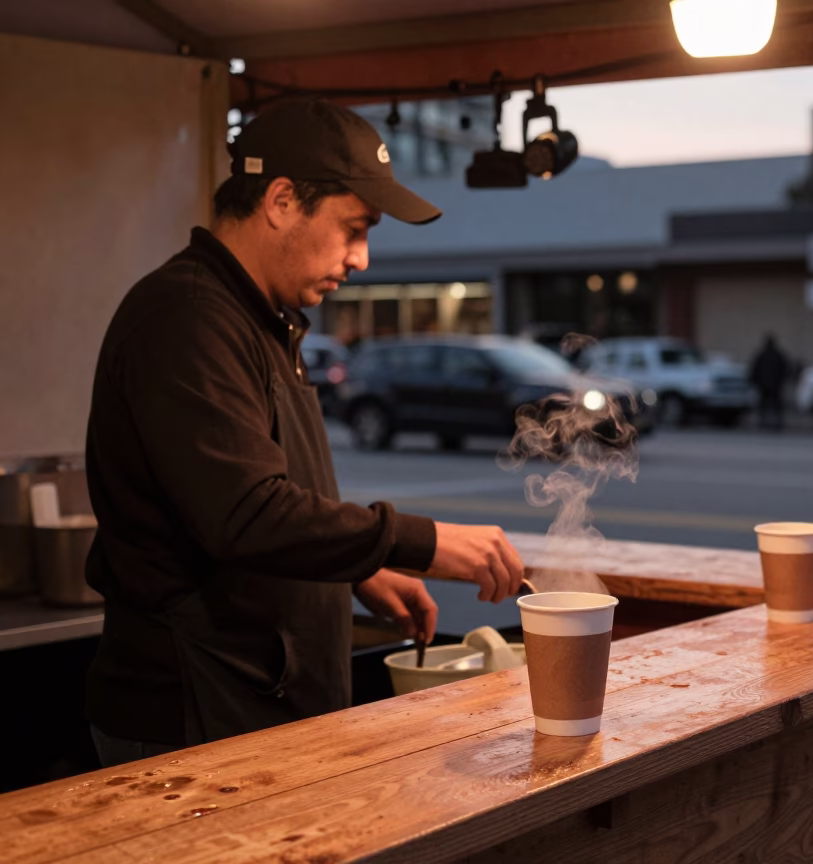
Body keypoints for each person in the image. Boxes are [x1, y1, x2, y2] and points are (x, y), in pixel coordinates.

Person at [84, 99, 524, 768]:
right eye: (353, 228)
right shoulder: (188, 317)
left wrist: (361, 569)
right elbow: (247, 513)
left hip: (258, 698)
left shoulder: (260, 317)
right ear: (283, 200)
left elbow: (263, 494)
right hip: (197, 713)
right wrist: (420, 542)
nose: (363, 259)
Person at [749, 332, 789, 431]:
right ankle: (775, 422)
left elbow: (754, 370)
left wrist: (754, 381)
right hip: (773, 385)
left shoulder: (763, 355)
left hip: (766, 385)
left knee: (766, 404)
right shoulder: (777, 355)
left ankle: (767, 422)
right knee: (773, 405)